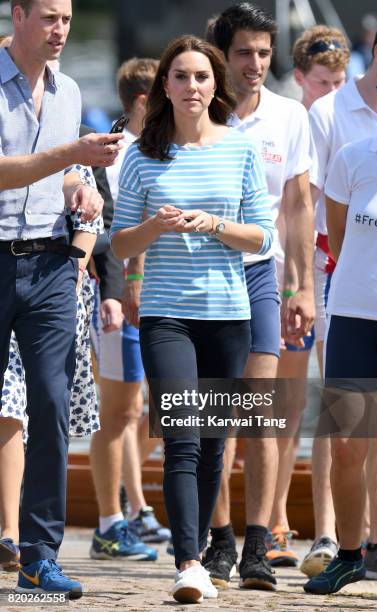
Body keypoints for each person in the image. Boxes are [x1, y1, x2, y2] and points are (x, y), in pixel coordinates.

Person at [111, 34, 275, 604]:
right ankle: (187, 562)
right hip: (166, 315)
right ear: (164, 86)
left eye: (201, 77)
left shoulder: (242, 149)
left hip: (229, 315)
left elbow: (262, 234)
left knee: (214, 444)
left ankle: (201, 548)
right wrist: (154, 228)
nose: (191, 87)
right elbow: (118, 242)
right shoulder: (141, 153)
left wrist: (210, 224)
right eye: (180, 77)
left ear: (215, 85)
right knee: (182, 437)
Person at [0, 0, 122, 598]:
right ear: (17, 14)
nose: (61, 31)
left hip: (51, 263)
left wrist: (83, 188)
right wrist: (70, 158)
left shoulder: (69, 90)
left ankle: (38, 556)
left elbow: (60, 174)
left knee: (49, 404)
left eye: (68, 20)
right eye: (49, 18)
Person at [203, 2, 314, 589]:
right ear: (221, 53)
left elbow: (297, 206)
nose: (254, 64)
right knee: (217, 415)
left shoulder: (289, 116)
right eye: (244, 52)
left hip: (261, 275)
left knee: (261, 412)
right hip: (203, 278)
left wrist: (302, 286)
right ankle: (219, 540)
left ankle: (257, 545)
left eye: (264, 54)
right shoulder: (198, 110)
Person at [306, 12, 377, 583]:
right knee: (346, 443)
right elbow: (337, 238)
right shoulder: (352, 159)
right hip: (353, 318)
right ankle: (347, 557)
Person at [0, 163, 102, 571]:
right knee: (9, 407)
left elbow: (89, 224)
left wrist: (73, 271)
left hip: (54, 291)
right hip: (10, 280)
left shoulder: (75, 156)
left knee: (41, 409)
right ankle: (10, 531)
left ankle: (25, 543)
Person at [89, 57, 168, 562]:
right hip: (121, 300)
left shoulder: (156, 151)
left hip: (154, 299)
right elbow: (112, 235)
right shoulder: (113, 158)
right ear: (143, 103)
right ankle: (108, 522)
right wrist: (123, 289)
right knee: (118, 413)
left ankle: (131, 507)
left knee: (137, 409)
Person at [284, 25, 349, 577]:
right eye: (321, 81)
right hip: (292, 269)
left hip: (333, 268)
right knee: (278, 398)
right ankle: (276, 518)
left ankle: (329, 530)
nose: (330, 90)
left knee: (334, 399)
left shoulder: (347, 119)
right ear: (301, 78)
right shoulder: (295, 122)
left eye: (339, 81)